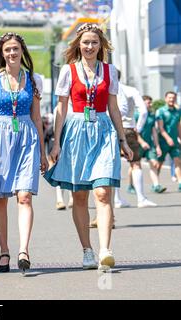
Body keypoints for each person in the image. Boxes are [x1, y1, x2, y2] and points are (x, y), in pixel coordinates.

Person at [43, 23, 133, 271]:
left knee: (103, 191)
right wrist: (56, 143)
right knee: (79, 195)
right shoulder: (68, 71)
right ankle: (87, 249)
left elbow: (114, 107)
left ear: (101, 45)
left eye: (94, 42)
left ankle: (105, 248)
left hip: (103, 130)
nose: (90, 46)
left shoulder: (110, 71)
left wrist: (123, 139)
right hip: (75, 131)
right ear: (78, 45)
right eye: (85, 42)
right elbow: (61, 108)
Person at [0, 32, 48, 273]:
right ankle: (4, 249)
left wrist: (43, 153)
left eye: (15, 49)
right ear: (2, 53)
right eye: (8, 50)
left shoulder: (34, 79)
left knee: (24, 196)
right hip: (0, 137)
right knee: (1, 198)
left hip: (27, 137)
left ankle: (23, 250)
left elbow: (37, 117)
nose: (12, 53)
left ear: (22, 51)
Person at [110, 71, 157, 209]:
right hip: (128, 128)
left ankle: (117, 199)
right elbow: (143, 111)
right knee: (135, 163)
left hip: (111, 128)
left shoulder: (105, 89)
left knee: (114, 165)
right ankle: (141, 198)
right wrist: (139, 127)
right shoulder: (129, 90)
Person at [149, 91, 181, 191]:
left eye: (173, 98)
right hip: (163, 141)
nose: (171, 99)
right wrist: (168, 138)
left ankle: (180, 183)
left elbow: (178, 126)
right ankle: (156, 184)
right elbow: (160, 128)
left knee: (177, 161)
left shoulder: (177, 111)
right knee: (159, 163)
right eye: (170, 98)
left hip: (174, 142)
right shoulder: (161, 111)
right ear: (166, 98)